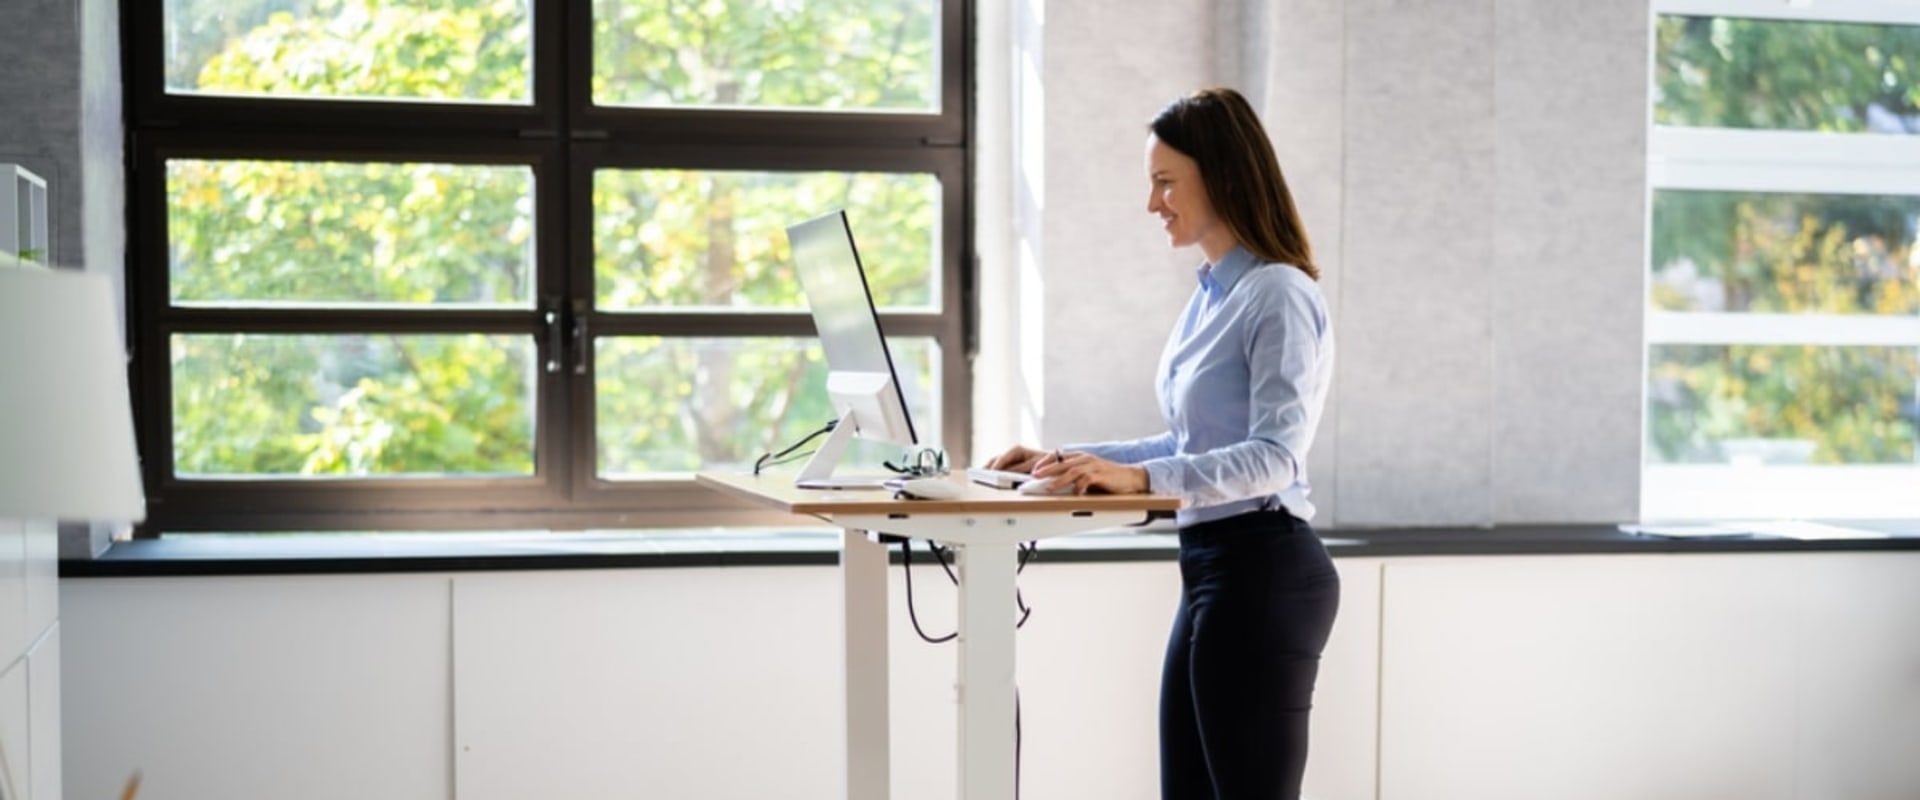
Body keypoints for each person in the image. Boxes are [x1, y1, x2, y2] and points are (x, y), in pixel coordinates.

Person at [985, 86, 1339, 799]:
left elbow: (1276, 456)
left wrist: (1141, 480)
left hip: (1263, 569)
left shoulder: (1278, 294)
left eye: (1166, 182)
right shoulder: (1212, 297)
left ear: (1225, 177)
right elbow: (1187, 440)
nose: (1153, 204)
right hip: (1209, 566)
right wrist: (1068, 462)